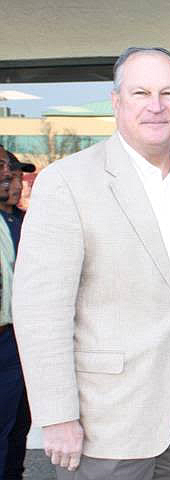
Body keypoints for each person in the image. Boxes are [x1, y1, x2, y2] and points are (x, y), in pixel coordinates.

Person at [12, 47, 170, 480]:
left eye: (169, 92)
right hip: (105, 416)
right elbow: (41, 312)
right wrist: (57, 414)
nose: (156, 105)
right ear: (116, 101)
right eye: (141, 92)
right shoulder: (67, 182)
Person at [0, 150, 34, 480]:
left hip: (23, 339)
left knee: (18, 425)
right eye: (4, 170)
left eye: (16, 173)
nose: (11, 177)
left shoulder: (27, 222)